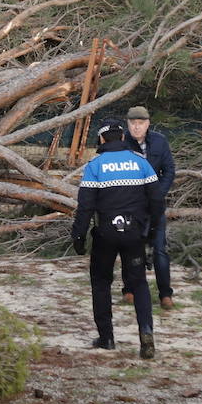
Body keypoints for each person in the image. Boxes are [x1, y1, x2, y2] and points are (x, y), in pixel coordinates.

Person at [71, 119, 162, 359]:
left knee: (101, 282)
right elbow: (156, 201)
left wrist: (78, 236)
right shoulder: (141, 162)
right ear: (123, 137)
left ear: (101, 139)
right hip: (134, 234)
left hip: (105, 235)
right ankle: (146, 333)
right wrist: (151, 233)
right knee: (139, 283)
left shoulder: (95, 165)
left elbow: (85, 206)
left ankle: (106, 338)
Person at [122, 105, 177, 310]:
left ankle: (165, 294)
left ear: (148, 124)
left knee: (160, 250)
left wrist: (157, 194)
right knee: (130, 248)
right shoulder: (121, 143)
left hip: (155, 206)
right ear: (127, 124)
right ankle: (129, 289)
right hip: (129, 205)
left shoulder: (160, 142)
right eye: (133, 123)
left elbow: (169, 170)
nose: (137, 128)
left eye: (141, 123)